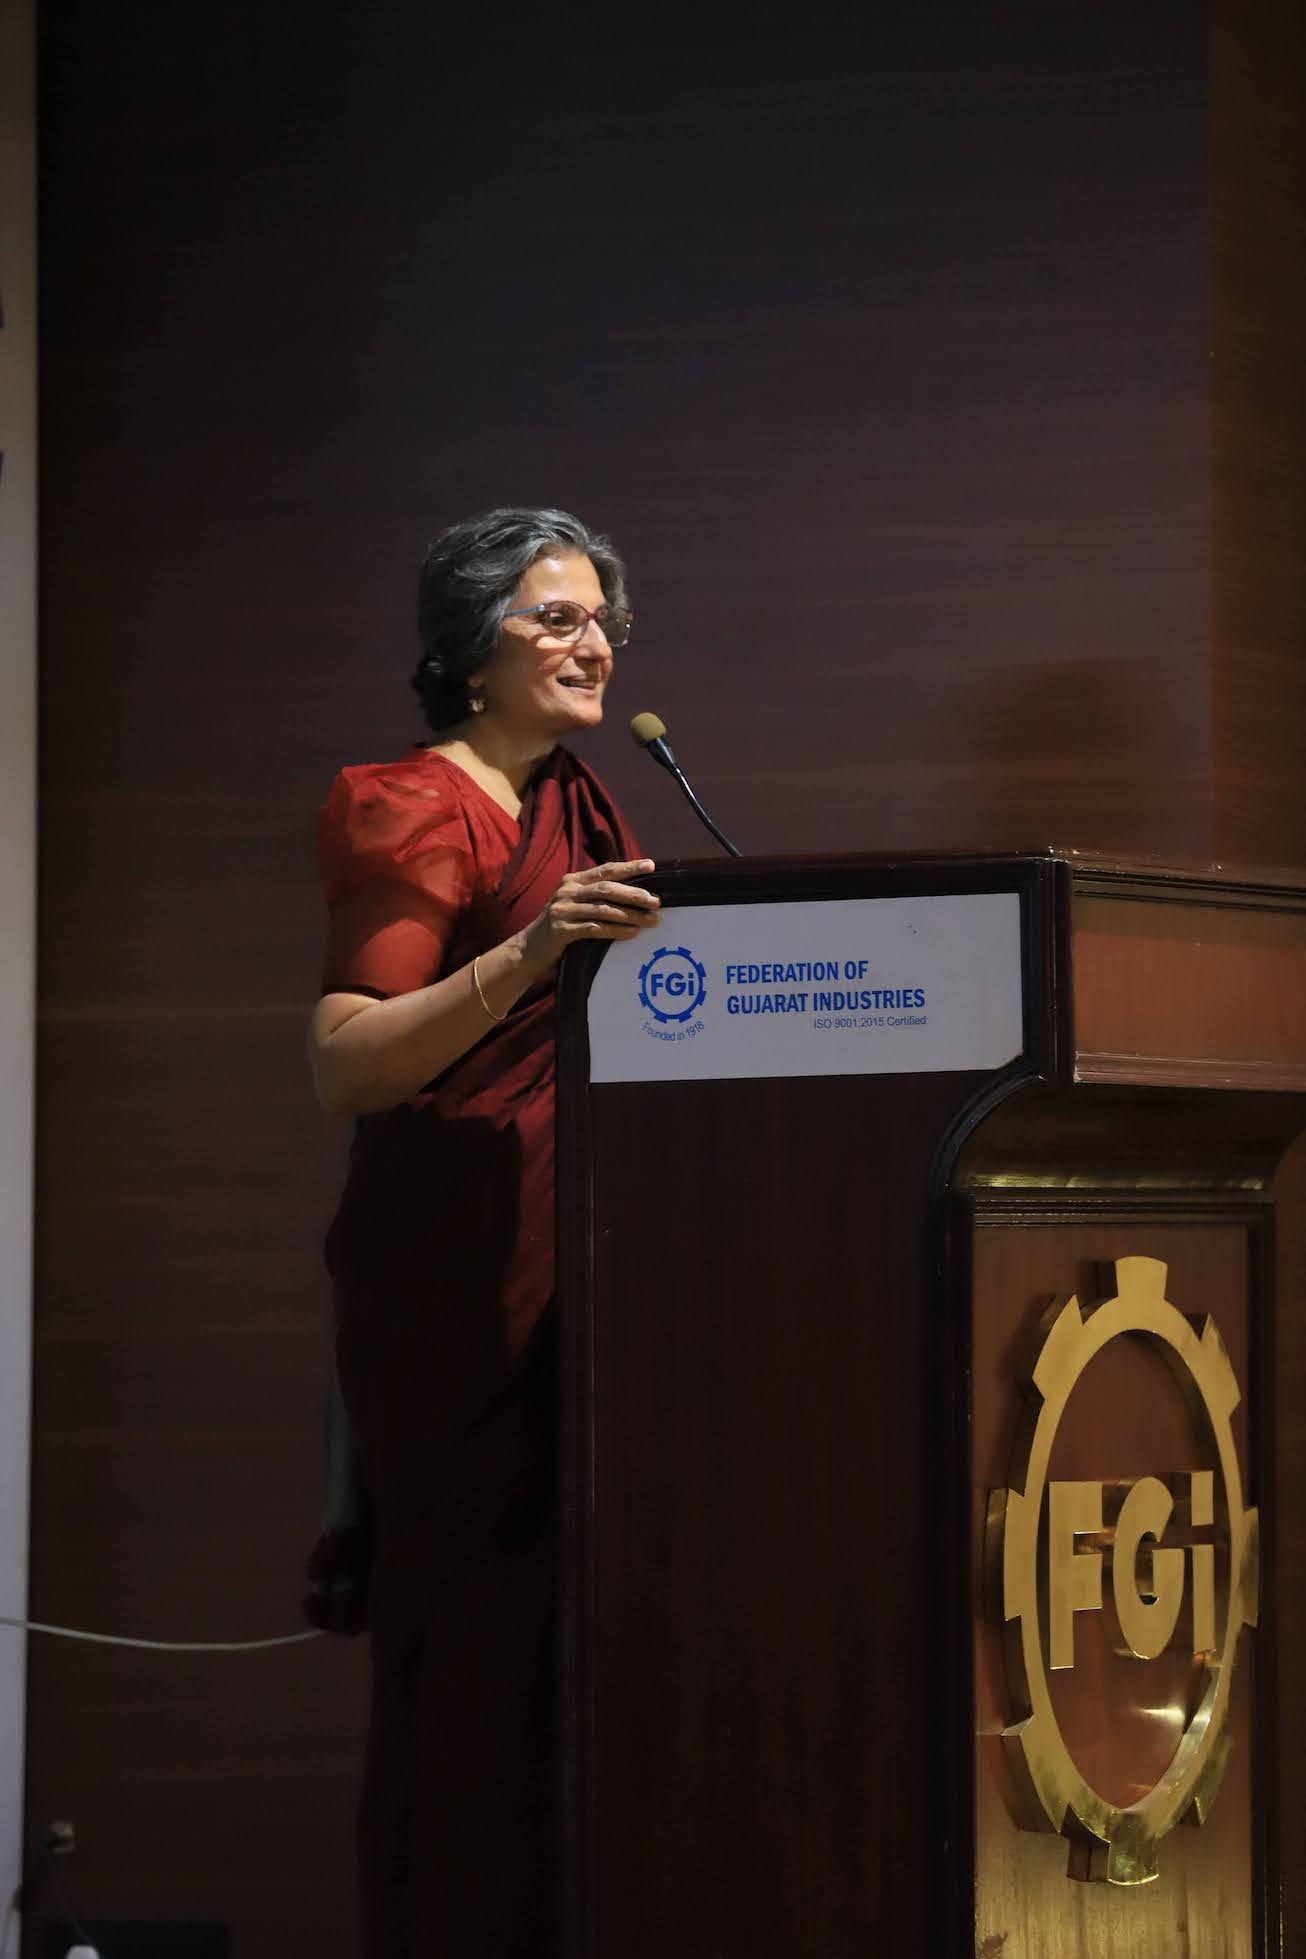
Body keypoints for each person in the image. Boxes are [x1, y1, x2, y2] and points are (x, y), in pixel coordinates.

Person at [305, 508, 660, 1958]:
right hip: (458, 1275)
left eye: (602, 621)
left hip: (592, 1261)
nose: (596, 645)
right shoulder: (415, 805)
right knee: (474, 1661)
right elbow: (347, 1060)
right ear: (469, 648)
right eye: (557, 619)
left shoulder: (588, 804)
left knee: (579, 1652)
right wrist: (530, 952)